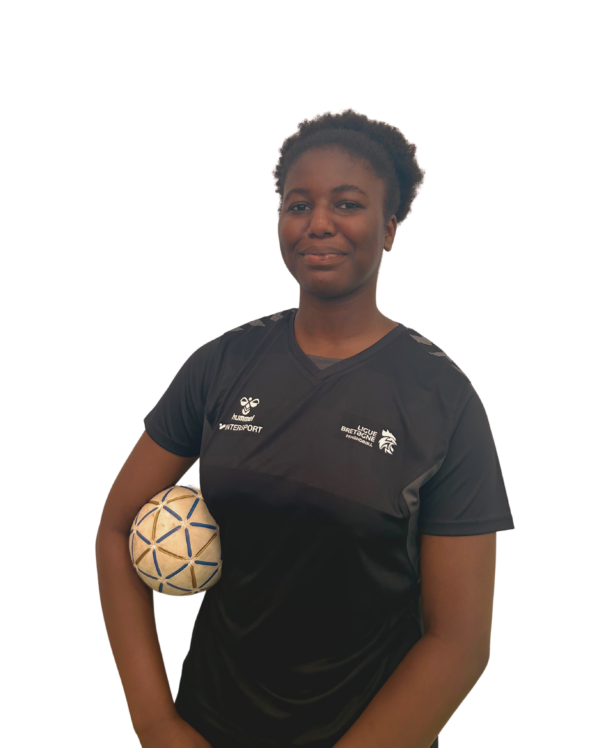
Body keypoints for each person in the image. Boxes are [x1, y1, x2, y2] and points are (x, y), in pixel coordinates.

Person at [96, 107, 515, 748]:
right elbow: (115, 526)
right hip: (209, 729)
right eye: (299, 204)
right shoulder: (221, 363)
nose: (319, 223)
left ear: (391, 226)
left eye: (347, 203)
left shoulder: (443, 397)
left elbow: (459, 643)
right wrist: (156, 723)